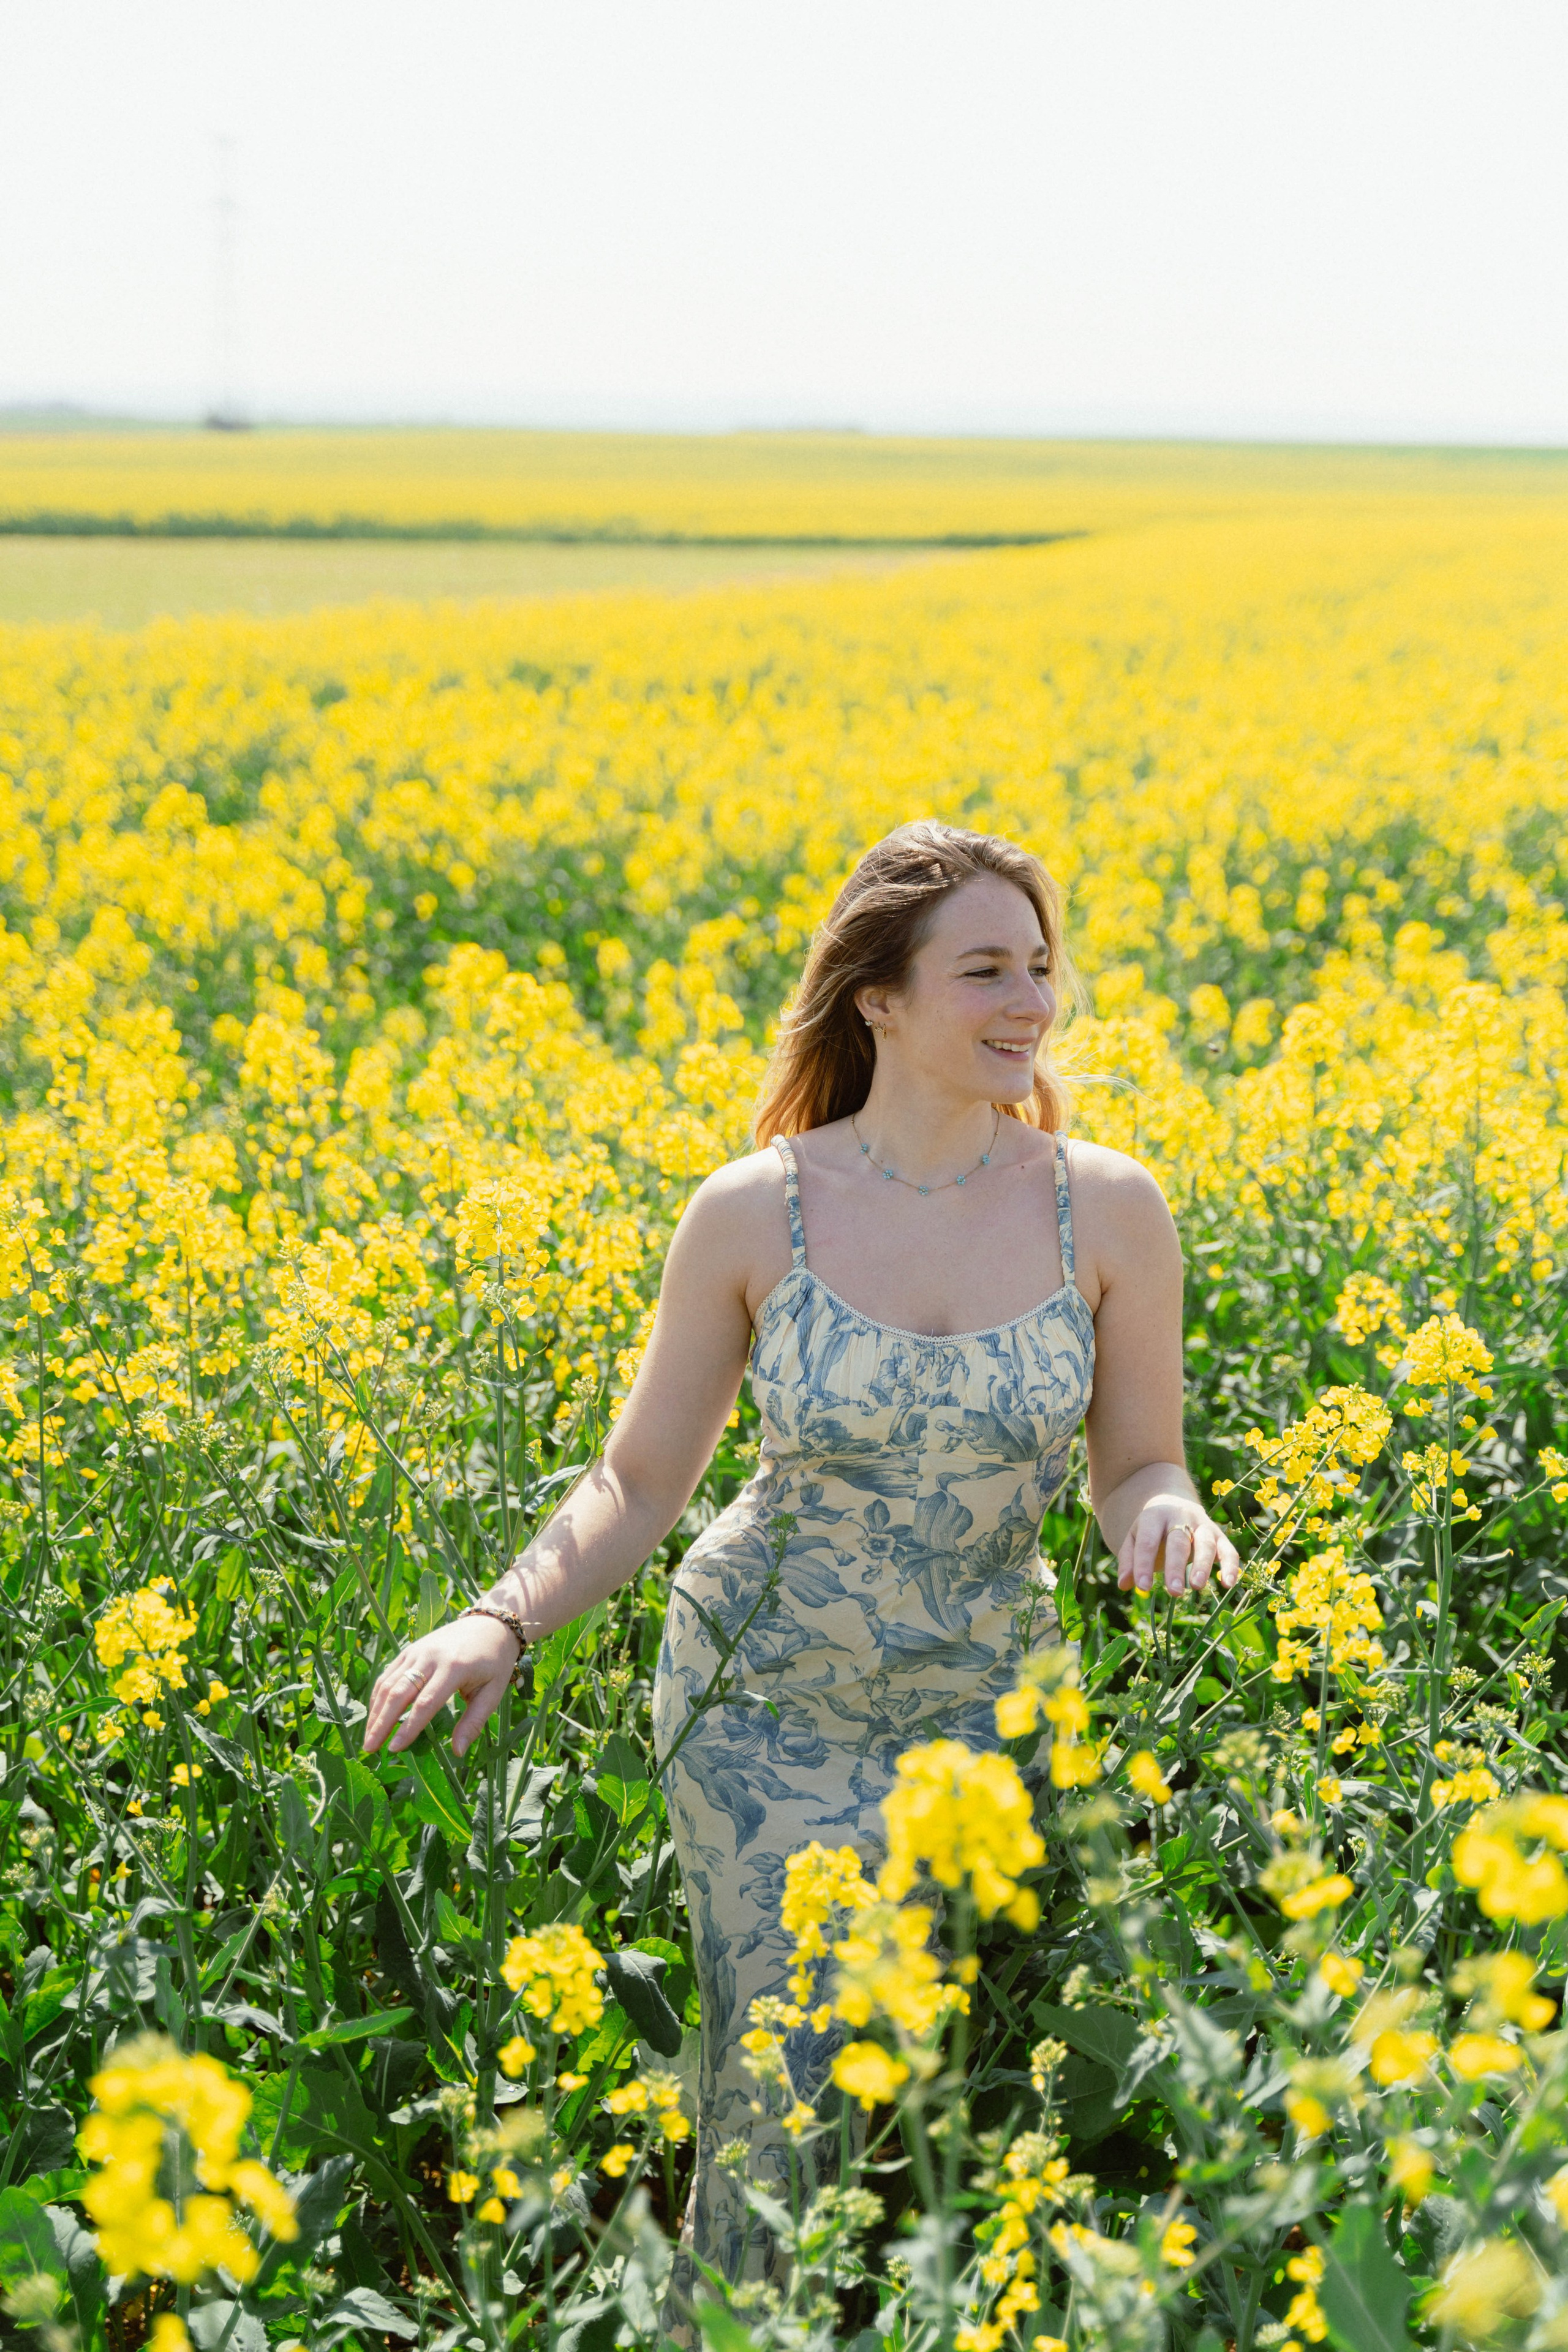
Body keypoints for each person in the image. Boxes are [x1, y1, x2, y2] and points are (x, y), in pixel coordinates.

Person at [361, 820, 1240, 2326]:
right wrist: (500, 1618)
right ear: (875, 1002)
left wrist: (1171, 1518)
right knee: (781, 2095)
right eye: (983, 970)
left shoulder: (1105, 1205)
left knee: (983, 2090)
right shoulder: (751, 1210)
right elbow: (640, 1482)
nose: (1029, 1001)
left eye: (1038, 966)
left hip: (992, 1710)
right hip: (767, 1708)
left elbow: (1132, 1464)